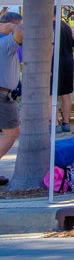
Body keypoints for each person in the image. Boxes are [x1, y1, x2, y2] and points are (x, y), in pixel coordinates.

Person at [0, 13, 23, 183]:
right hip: (2, 95)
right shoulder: (5, 42)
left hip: (5, 94)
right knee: (12, 132)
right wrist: (13, 27)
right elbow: (22, 31)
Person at [54, 18, 74, 134]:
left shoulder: (48, 26)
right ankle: (66, 122)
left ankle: (55, 123)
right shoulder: (67, 26)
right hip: (68, 62)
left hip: (54, 63)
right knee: (66, 94)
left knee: (51, 95)